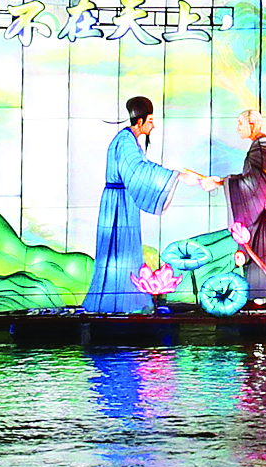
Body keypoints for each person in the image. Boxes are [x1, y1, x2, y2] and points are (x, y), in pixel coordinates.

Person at [83, 97, 216, 313]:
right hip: (118, 204)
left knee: (124, 253)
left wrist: (179, 175)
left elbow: (142, 169)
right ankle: (115, 305)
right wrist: (178, 176)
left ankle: (122, 304)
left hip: (123, 201)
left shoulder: (128, 140)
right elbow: (140, 171)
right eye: (151, 120)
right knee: (118, 253)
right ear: (140, 121)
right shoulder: (125, 142)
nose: (153, 125)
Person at [220, 108, 266, 305]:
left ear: (252, 124)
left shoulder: (262, 148)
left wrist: (225, 182)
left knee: (265, 271)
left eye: (240, 123)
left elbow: (257, 185)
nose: (238, 128)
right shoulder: (264, 147)